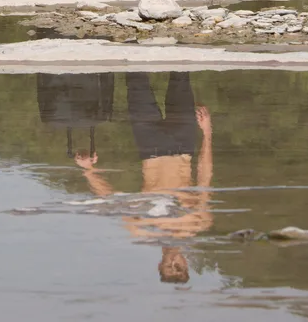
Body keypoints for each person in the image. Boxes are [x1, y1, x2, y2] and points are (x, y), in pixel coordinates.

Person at [75, 72, 213, 285]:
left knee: (136, 83)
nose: (175, 261)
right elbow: (205, 178)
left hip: (150, 146)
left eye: (170, 267)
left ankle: (130, 41)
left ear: (160, 264)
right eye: (180, 267)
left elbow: (111, 199)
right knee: (180, 79)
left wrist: (88, 171)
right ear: (186, 262)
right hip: (183, 144)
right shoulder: (198, 223)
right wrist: (207, 133)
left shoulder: (141, 229)